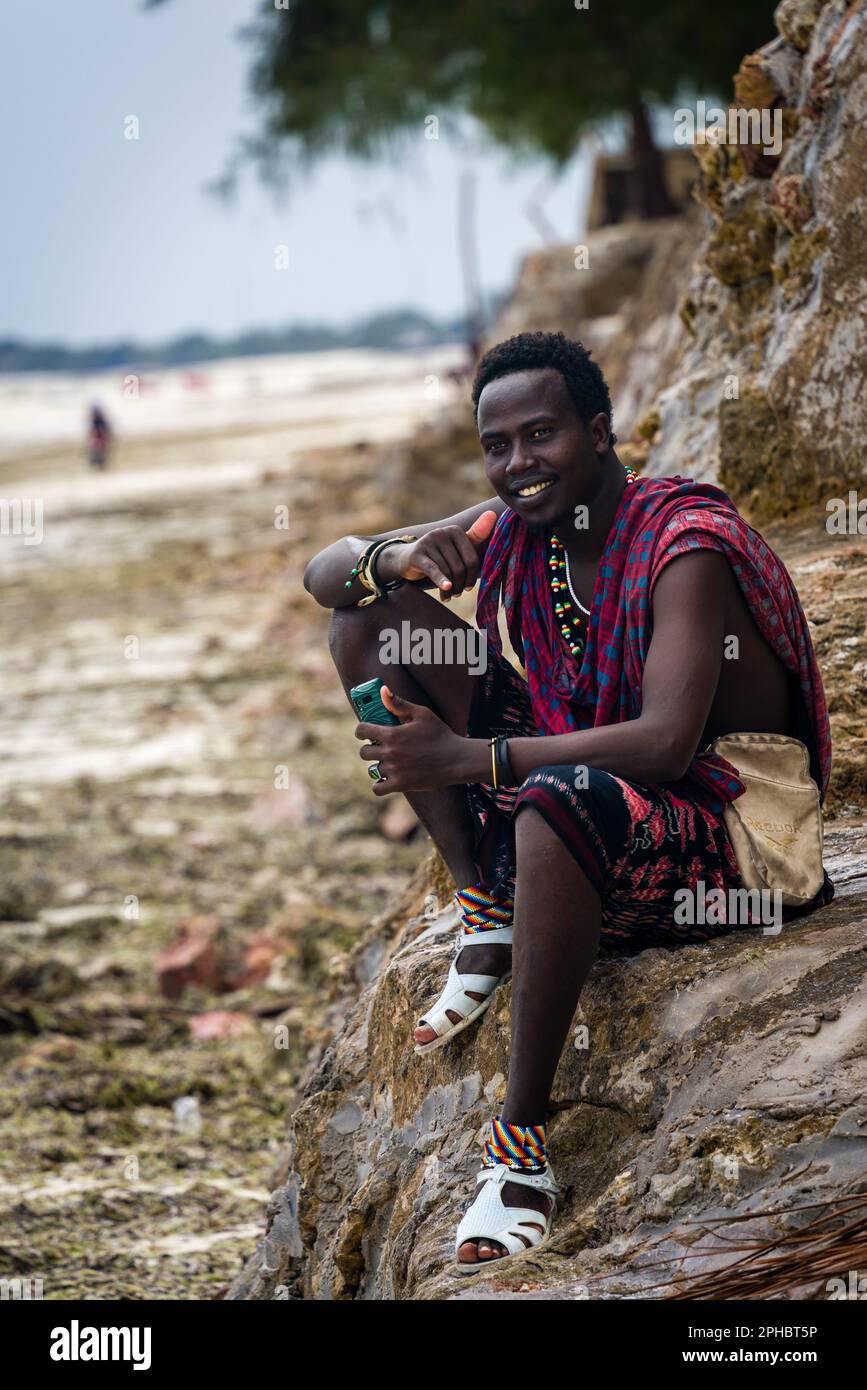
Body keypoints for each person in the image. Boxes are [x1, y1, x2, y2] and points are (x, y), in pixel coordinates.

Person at [303, 331, 833, 1273]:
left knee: (551, 796)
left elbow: (665, 743)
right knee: (367, 625)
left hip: (734, 828)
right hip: (586, 773)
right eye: (496, 446)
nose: (516, 464)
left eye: (539, 436)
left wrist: (467, 757)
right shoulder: (518, 520)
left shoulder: (683, 543)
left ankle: (517, 1158)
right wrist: (393, 560)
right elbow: (324, 577)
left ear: (597, 432)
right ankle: (489, 909)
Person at [87, 403, 111, 470]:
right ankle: (99, 464)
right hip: (99, 437)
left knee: (100, 451)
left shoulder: (99, 420)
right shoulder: (96, 420)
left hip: (100, 436)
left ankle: (100, 464)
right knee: (98, 451)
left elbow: (104, 429)